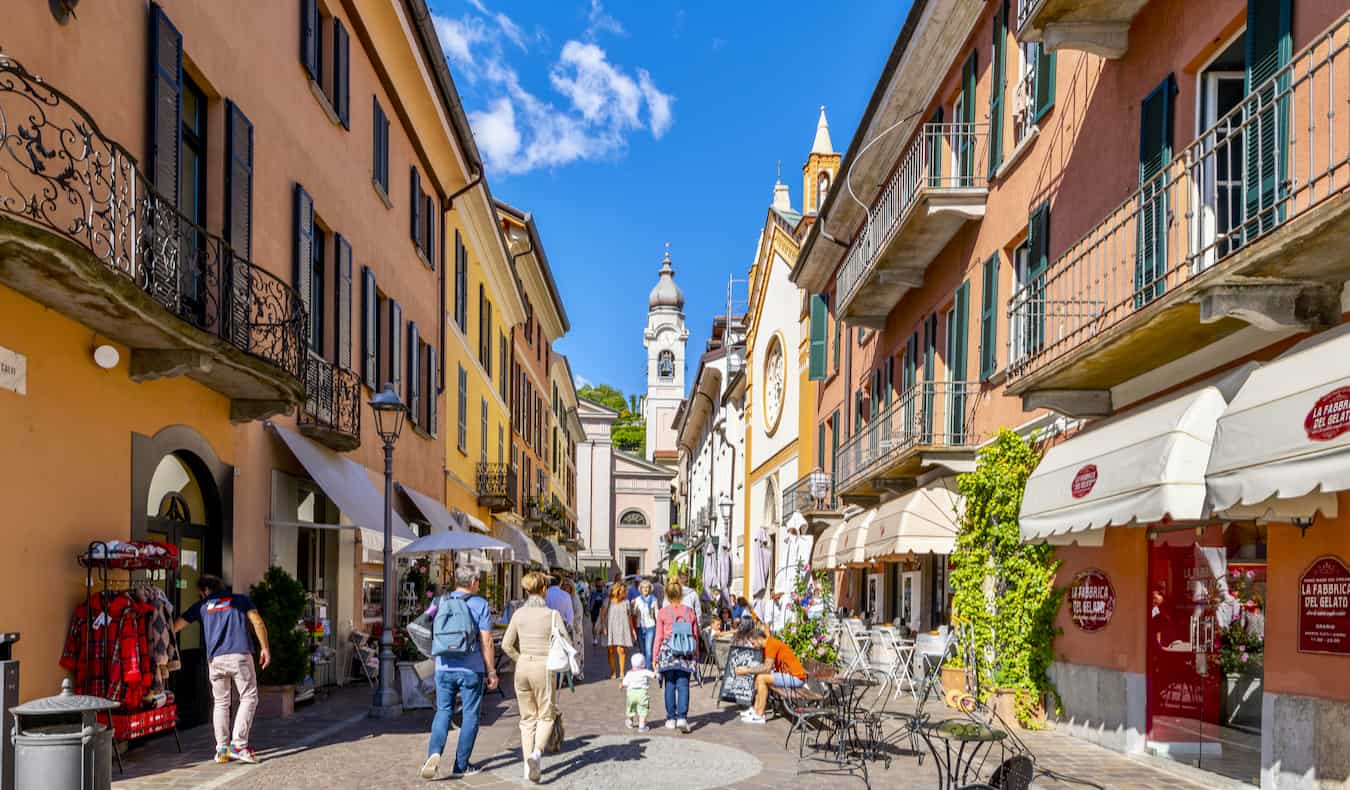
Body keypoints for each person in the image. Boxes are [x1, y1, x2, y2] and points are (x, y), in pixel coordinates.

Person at [173, 574, 270, 765]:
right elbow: (257, 621)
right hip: (239, 655)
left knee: (221, 702)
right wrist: (265, 648)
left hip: (215, 659)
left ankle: (222, 749)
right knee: (249, 697)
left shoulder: (202, 606)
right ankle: (239, 745)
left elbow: (175, 626)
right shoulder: (240, 600)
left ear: (204, 591)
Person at [421, 566, 498, 780]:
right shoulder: (480, 604)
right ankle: (461, 765)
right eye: (478, 581)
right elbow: (487, 640)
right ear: (473, 582)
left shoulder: (438, 601)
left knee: (443, 710)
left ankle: (434, 753)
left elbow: (425, 623)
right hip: (470, 669)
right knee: (470, 715)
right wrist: (491, 671)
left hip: (443, 666)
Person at [500, 571, 565, 785]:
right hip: (543, 667)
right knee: (546, 715)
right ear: (544, 589)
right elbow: (565, 642)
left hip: (523, 667)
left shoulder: (518, 614)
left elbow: (506, 645)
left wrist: (520, 658)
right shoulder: (552, 615)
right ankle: (537, 753)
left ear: (527, 590)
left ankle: (527, 768)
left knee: (526, 719)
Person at [735, 624, 807, 724]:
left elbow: (767, 667)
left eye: (753, 643)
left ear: (759, 639)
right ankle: (755, 710)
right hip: (787, 675)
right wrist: (749, 669)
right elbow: (764, 667)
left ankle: (760, 715)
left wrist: (746, 670)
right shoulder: (767, 645)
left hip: (796, 678)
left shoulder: (771, 644)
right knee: (758, 676)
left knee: (762, 678)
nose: (753, 646)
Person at [653, 581, 698, 733]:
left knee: (670, 684)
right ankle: (682, 717)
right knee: (683, 684)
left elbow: (658, 636)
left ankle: (670, 718)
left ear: (667, 594)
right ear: (682, 594)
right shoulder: (689, 611)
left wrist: (654, 657)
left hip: (667, 650)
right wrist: (696, 652)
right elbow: (695, 633)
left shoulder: (663, 612)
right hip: (685, 650)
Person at [599, 583, 634, 680]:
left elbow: (629, 617)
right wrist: (603, 626)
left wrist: (632, 630)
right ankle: (613, 672)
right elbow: (602, 615)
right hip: (610, 628)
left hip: (622, 628)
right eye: (623, 591)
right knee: (610, 651)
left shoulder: (626, 602)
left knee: (621, 650)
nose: (625, 593)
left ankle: (622, 672)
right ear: (617, 591)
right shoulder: (608, 601)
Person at [621, 652, 659, 732]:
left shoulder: (629, 673)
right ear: (643, 664)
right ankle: (642, 726)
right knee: (643, 709)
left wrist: (621, 685)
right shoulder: (645, 671)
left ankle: (630, 722)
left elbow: (624, 683)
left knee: (630, 708)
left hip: (631, 694)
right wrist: (656, 671)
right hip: (642, 693)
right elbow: (654, 676)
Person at [632, 579, 659, 667]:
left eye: (647, 587)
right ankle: (642, 665)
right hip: (640, 626)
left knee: (648, 649)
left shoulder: (654, 599)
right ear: (641, 589)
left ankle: (647, 667)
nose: (646, 589)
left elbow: (657, 614)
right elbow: (634, 613)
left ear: (650, 589)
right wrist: (633, 606)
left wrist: (659, 625)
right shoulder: (638, 599)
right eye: (644, 587)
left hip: (650, 626)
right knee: (642, 649)